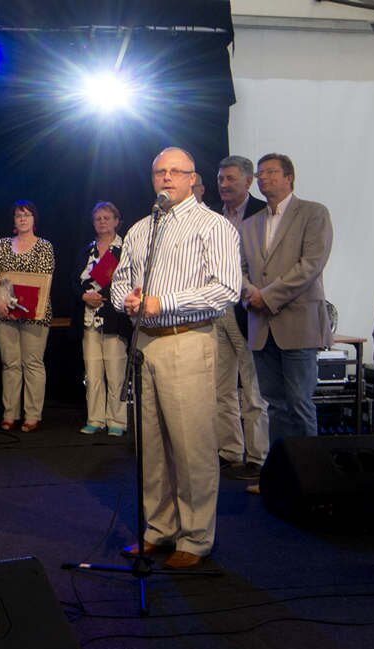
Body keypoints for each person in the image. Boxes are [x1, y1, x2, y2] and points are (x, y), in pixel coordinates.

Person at [111, 147, 241, 570]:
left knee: (191, 445)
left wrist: (163, 301)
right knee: (150, 447)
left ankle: (196, 536)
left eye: (175, 172)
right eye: (159, 172)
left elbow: (226, 289)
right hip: (145, 342)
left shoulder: (212, 225)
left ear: (192, 178)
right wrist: (127, 299)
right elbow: (120, 280)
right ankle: (159, 529)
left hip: (187, 339)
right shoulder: (140, 228)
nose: (166, 178)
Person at [239, 154, 333, 451]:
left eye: (271, 172)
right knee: (275, 405)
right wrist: (250, 294)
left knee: (299, 404)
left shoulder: (313, 213)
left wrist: (266, 297)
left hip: (298, 324)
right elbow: (239, 269)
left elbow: (310, 265)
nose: (263, 178)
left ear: (289, 177)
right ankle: (281, 469)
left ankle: (308, 473)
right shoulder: (250, 224)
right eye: (260, 174)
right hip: (260, 325)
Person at [213, 156, 269, 480]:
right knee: (222, 387)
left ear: (248, 181)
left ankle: (258, 456)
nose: (224, 184)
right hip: (218, 309)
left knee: (252, 388)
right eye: (221, 178)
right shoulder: (212, 215)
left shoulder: (262, 211)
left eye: (230, 178)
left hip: (249, 308)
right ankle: (230, 450)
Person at [0, 201, 54, 432]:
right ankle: (10, 414)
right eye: (18, 215)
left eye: (27, 215)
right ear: (14, 220)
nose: (23, 219)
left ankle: (32, 415)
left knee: (32, 363)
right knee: (10, 363)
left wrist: (21, 307)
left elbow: (43, 279)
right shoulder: (2, 244)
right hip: (3, 311)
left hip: (35, 314)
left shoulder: (44, 246)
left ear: (34, 219)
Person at [74, 201, 131, 437]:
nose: (102, 222)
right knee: (93, 372)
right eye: (98, 218)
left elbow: (129, 281)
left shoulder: (125, 249)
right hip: (89, 319)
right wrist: (84, 296)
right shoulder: (86, 251)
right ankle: (95, 419)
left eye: (107, 218)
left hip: (114, 318)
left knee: (115, 371)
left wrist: (101, 297)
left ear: (117, 221)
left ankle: (117, 420)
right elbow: (73, 281)